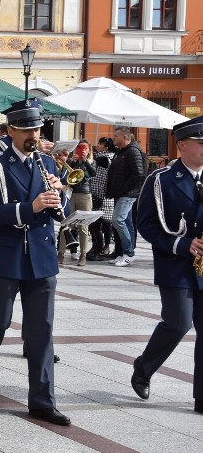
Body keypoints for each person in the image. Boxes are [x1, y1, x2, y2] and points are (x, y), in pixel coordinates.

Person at [0, 98, 71, 426]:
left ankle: (42, 400)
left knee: (42, 329)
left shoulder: (49, 164)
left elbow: (61, 213)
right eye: (27, 129)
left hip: (41, 257)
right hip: (8, 256)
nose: (33, 134)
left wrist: (61, 197)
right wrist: (32, 206)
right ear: (11, 130)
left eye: (37, 128)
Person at [132, 115, 203, 415]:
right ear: (182, 145)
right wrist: (182, 244)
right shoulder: (160, 180)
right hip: (176, 264)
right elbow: (145, 223)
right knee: (178, 323)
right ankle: (144, 367)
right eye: (201, 144)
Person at [106, 126, 147, 267]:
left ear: (125, 137)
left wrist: (124, 188)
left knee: (117, 220)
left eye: (116, 136)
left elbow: (139, 174)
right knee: (127, 222)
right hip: (121, 193)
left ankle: (129, 253)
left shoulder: (133, 151)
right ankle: (126, 252)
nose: (113, 138)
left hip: (128, 194)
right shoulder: (122, 151)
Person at [57, 141, 96, 267]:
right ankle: (61, 253)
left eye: (85, 148)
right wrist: (72, 162)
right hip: (70, 194)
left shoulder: (91, 162)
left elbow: (92, 174)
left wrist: (84, 161)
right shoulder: (71, 161)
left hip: (85, 195)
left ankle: (83, 254)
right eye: (79, 148)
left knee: (83, 226)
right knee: (65, 224)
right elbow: (63, 177)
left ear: (89, 150)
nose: (82, 150)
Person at [88, 137, 118, 261]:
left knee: (96, 224)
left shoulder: (103, 158)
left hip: (101, 195)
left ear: (106, 147)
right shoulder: (112, 157)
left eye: (100, 144)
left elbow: (94, 172)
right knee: (105, 225)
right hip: (106, 195)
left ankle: (98, 249)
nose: (97, 145)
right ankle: (101, 247)